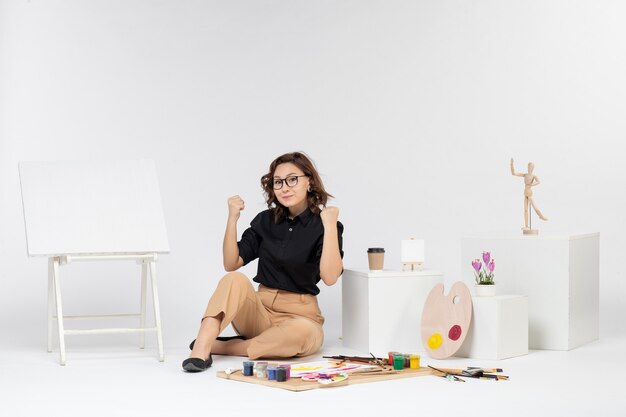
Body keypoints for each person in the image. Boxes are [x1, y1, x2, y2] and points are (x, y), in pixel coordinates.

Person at [182, 152, 344, 372]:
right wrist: (232, 219)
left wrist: (330, 226)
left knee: (302, 335)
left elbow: (330, 277)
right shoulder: (265, 221)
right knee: (234, 279)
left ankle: (226, 347)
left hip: (300, 317)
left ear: (310, 182)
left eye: (292, 179)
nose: (284, 188)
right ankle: (201, 346)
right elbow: (231, 263)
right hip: (259, 312)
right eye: (278, 182)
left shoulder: (324, 225)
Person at [510, 158, 548, 231]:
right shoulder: (525, 175)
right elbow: (513, 173)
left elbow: (538, 182)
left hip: (529, 192)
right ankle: (526, 226)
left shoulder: (534, 176)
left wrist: (532, 184)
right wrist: (511, 164)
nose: (529, 168)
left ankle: (541, 216)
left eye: (530, 167)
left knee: (534, 207)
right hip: (525, 192)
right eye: (528, 167)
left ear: (533, 168)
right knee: (525, 210)